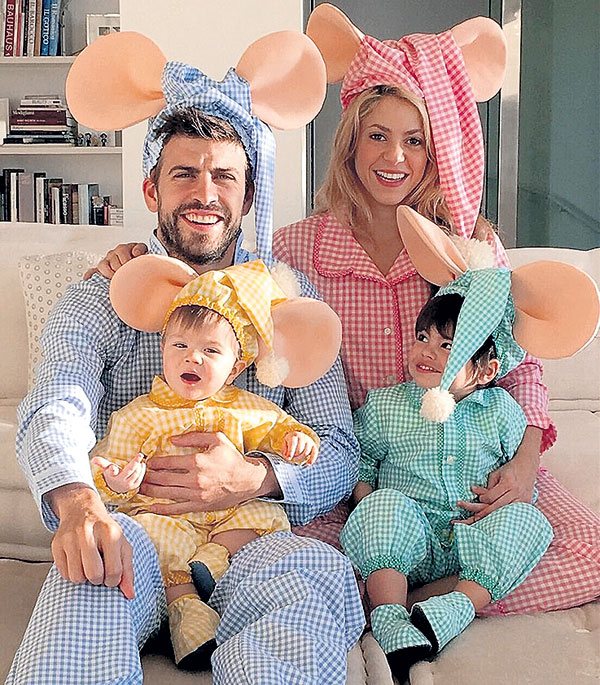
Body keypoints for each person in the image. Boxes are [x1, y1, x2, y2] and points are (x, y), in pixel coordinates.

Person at [89, 7, 600, 617]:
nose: (395, 156)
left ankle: (420, 604)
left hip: (472, 464)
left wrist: (523, 466)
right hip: (363, 482)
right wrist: (136, 255)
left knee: (588, 552)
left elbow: (521, 369)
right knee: (309, 577)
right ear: (351, 141)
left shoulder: (469, 248)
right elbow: (220, 291)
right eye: (377, 135)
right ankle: (392, 594)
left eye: (416, 140)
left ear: (437, 148)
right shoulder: (296, 251)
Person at [7, 30, 364, 685]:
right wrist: (80, 504)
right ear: (151, 191)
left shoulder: (291, 301)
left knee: (313, 576)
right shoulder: (101, 295)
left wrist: (255, 475)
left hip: (254, 540)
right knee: (88, 573)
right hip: (139, 534)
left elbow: (338, 447)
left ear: (248, 197)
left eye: (224, 176)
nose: (206, 193)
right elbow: (57, 401)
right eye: (184, 174)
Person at [91, 258, 327, 669]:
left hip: (233, 514)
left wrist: (296, 440)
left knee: (266, 514)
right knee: (149, 531)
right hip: (170, 515)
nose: (192, 359)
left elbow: (281, 428)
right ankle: (187, 613)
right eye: (180, 346)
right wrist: (116, 480)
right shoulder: (139, 415)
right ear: (162, 349)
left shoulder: (247, 408)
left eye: (210, 350)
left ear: (236, 367)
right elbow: (107, 461)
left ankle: (214, 561)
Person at [341, 285, 553, 680]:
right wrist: (367, 503)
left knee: (530, 521)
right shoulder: (387, 404)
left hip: (472, 542)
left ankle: (455, 608)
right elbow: (361, 460)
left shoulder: (501, 411)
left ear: (486, 371)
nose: (427, 351)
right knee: (380, 506)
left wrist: (502, 502)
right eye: (423, 338)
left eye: (447, 346)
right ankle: (389, 616)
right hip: (408, 537)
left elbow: (521, 477)